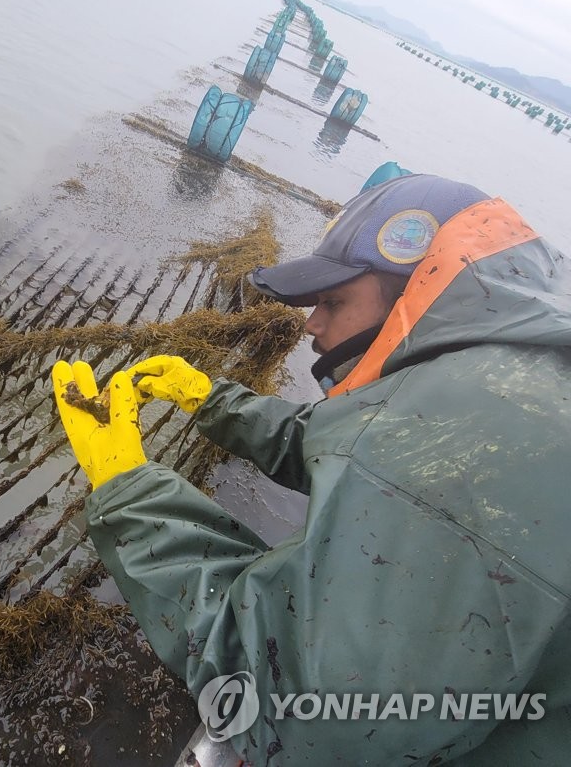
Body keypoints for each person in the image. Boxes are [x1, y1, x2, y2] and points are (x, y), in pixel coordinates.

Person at [52, 174, 571, 764]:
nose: (310, 324)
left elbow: (307, 712)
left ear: (414, 299)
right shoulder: (514, 368)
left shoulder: (467, 434)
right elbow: (367, 447)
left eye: (334, 302)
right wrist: (216, 402)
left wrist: (130, 494)